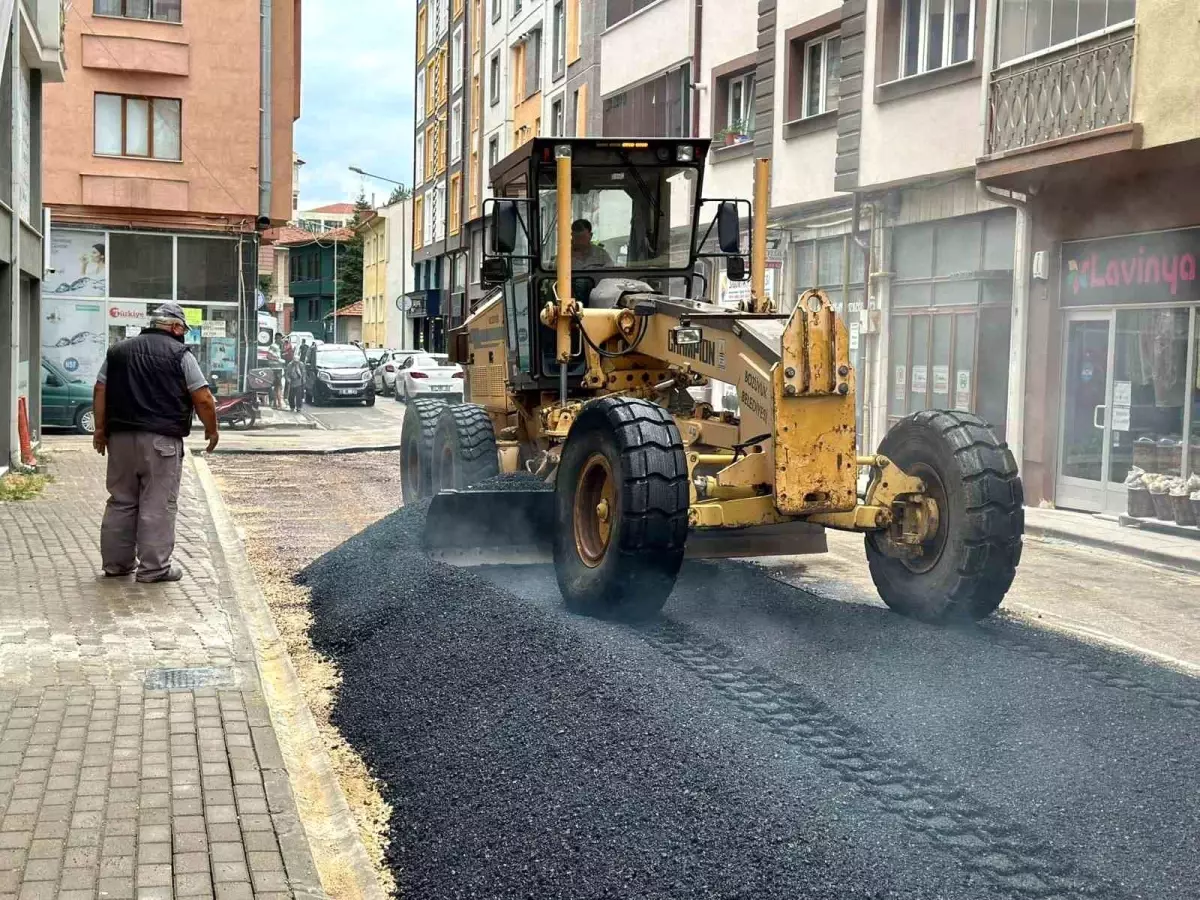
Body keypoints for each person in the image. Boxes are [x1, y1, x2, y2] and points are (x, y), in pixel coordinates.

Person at [92, 302, 220, 584]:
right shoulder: (181, 354)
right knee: (157, 504)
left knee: (121, 501)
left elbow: (100, 388)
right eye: (182, 329)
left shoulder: (118, 351)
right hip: (161, 442)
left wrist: (100, 430)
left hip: (121, 439)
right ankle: (154, 569)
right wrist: (212, 430)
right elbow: (203, 398)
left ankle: (116, 565)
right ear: (175, 327)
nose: (183, 334)